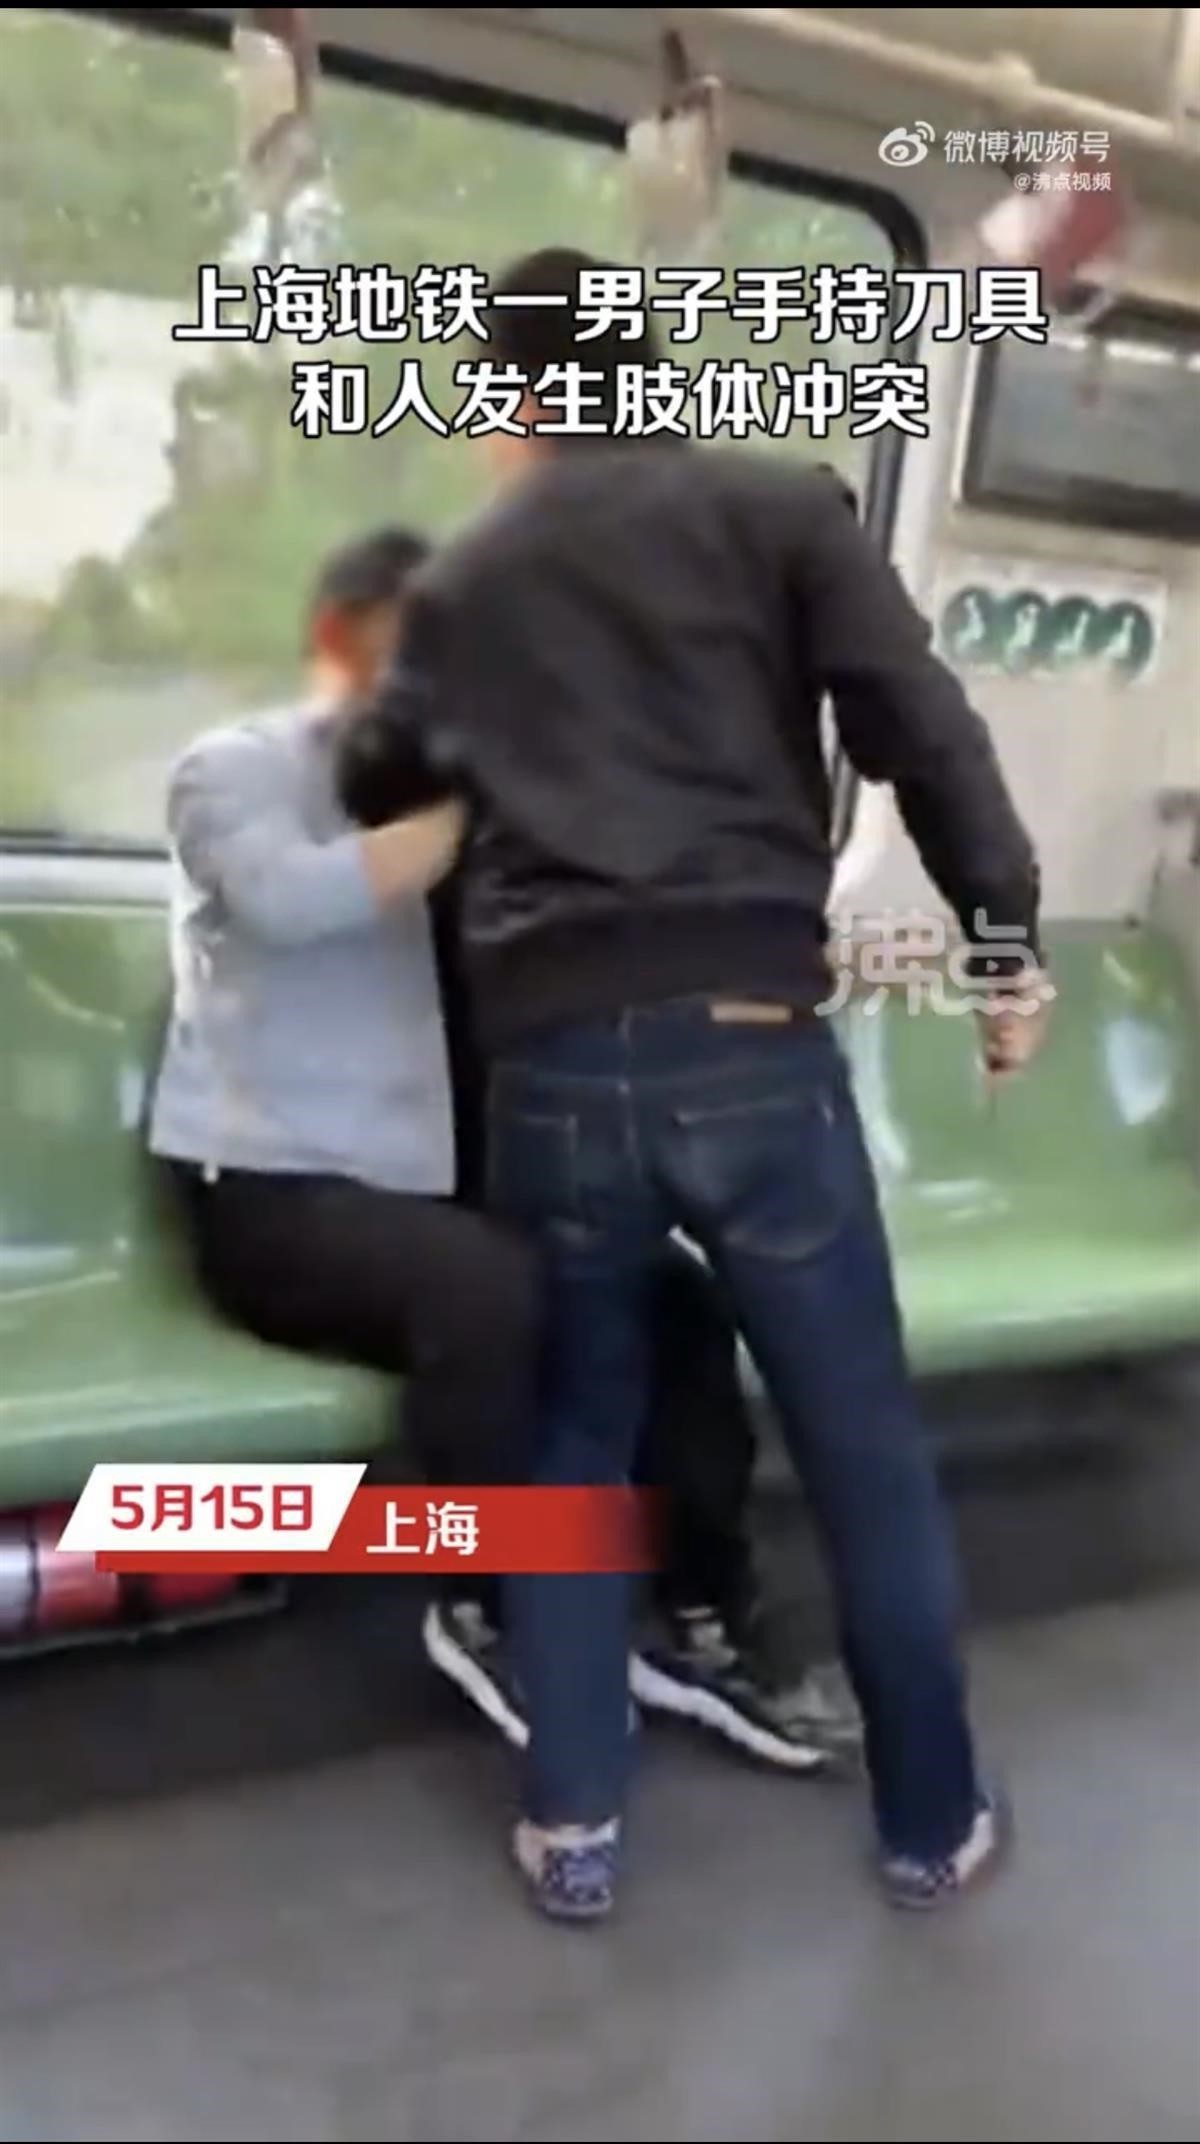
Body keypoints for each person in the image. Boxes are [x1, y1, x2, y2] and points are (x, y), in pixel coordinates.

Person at [338, 247, 1052, 1921]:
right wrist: (1003, 945)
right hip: (751, 1046)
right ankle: (931, 1820)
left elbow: (378, 780)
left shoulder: (467, 575)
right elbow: (920, 726)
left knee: (573, 1442)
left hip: (551, 1071)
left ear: (522, 396)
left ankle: (574, 1823)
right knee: (862, 1446)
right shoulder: (782, 509)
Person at [147, 525, 861, 1771]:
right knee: (492, 1289)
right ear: (338, 642)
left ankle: (704, 1610)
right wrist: (477, 806)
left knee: (677, 1299)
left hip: (444, 1187)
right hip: (269, 1193)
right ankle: (492, 1601)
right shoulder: (233, 771)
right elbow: (285, 900)